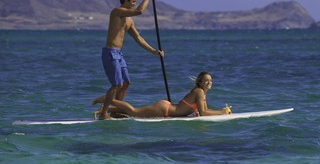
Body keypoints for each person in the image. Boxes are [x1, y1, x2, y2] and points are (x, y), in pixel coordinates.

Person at [97, 0, 164, 120]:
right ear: (126, 1)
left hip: (119, 54)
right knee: (116, 85)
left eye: (135, 1)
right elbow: (139, 11)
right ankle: (103, 114)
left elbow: (138, 38)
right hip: (110, 52)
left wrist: (153, 51)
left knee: (126, 83)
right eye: (133, 1)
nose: (134, 3)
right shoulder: (117, 12)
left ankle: (116, 111)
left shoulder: (129, 20)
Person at [93, 72, 232, 118]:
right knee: (134, 112)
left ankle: (106, 109)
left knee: (134, 113)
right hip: (164, 109)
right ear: (200, 82)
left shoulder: (201, 92)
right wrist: (222, 112)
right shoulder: (199, 92)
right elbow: (203, 112)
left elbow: (203, 111)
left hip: (167, 108)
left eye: (211, 80)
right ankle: (107, 99)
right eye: (206, 80)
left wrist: (220, 112)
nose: (209, 82)